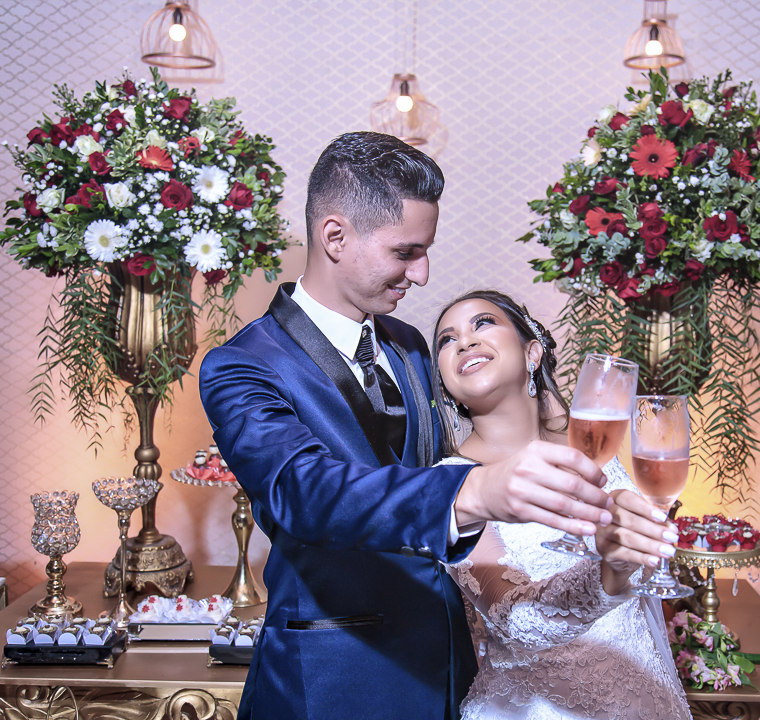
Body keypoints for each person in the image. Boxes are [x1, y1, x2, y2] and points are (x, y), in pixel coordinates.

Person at [198, 132, 618, 720]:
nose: (421, 274)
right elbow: (304, 491)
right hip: (334, 681)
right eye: (405, 252)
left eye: (425, 251)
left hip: (452, 674)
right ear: (335, 237)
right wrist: (472, 491)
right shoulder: (242, 365)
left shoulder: (409, 344)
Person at [431, 289, 692, 720]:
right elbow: (517, 621)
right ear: (447, 385)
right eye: (447, 339)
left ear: (532, 353)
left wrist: (643, 539)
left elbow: (648, 576)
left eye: (483, 323)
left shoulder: (589, 445)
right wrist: (611, 570)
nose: (465, 341)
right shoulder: (450, 484)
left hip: (646, 697)